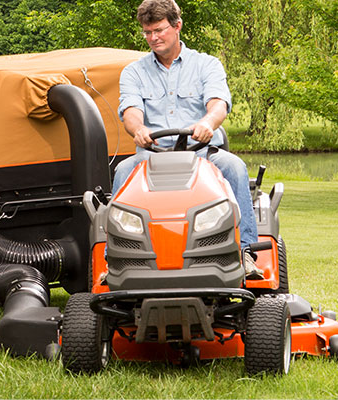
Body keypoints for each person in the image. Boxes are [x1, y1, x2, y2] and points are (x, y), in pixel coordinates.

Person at [113, 0, 263, 279]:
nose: (153, 38)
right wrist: (139, 130)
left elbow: (218, 104)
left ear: (177, 25)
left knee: (234, 167)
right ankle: (119, 257)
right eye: (147, 32)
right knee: (123, 170)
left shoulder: (207, 65)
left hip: (202, 152)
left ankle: (245, 252)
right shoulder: (133, 72)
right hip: (153, 154)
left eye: (159, 30)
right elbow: (130, 112)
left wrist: (207, 123)